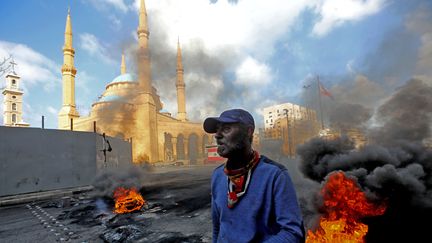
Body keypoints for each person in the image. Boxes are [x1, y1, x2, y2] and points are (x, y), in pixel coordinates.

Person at [203, 108, 305, 243]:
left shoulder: (275, 175)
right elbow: (218, 227)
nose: (217, 135)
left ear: (248, 131)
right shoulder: (217, 175)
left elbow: (293, 233)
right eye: (217, 129)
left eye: (226, 129)